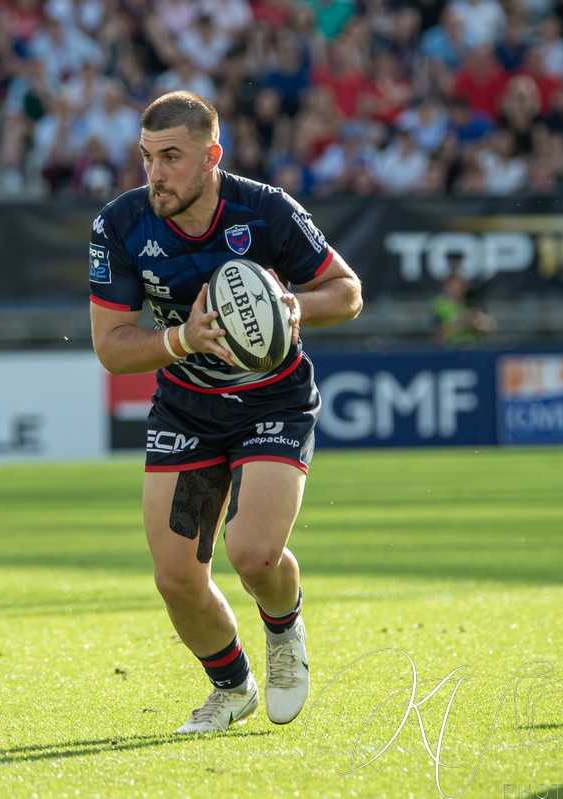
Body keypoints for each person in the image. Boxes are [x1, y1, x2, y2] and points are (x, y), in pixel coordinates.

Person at [88, 90, 362, 734]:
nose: (155, 174)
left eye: (172, 158)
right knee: (175, 577)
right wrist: (184, 338)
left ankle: (285, 633)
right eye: (147, 157)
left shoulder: (263, 210)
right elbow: (111, 346)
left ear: (212, 156)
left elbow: (347, 292)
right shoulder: (121, 223)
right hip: (186, 410)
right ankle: (231, 686)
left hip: (274, 399)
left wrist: (295, 306)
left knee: (254, 554)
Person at [432, 266, 496, 345]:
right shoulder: (439, 305)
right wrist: (462, 321)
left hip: (473, 349)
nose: (458, 289)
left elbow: (489, 328)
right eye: (454, 286)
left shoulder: (472, 302)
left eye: (461, 285)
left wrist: (477, 323)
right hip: (450, 351)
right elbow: (437, 336)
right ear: (446, 286)